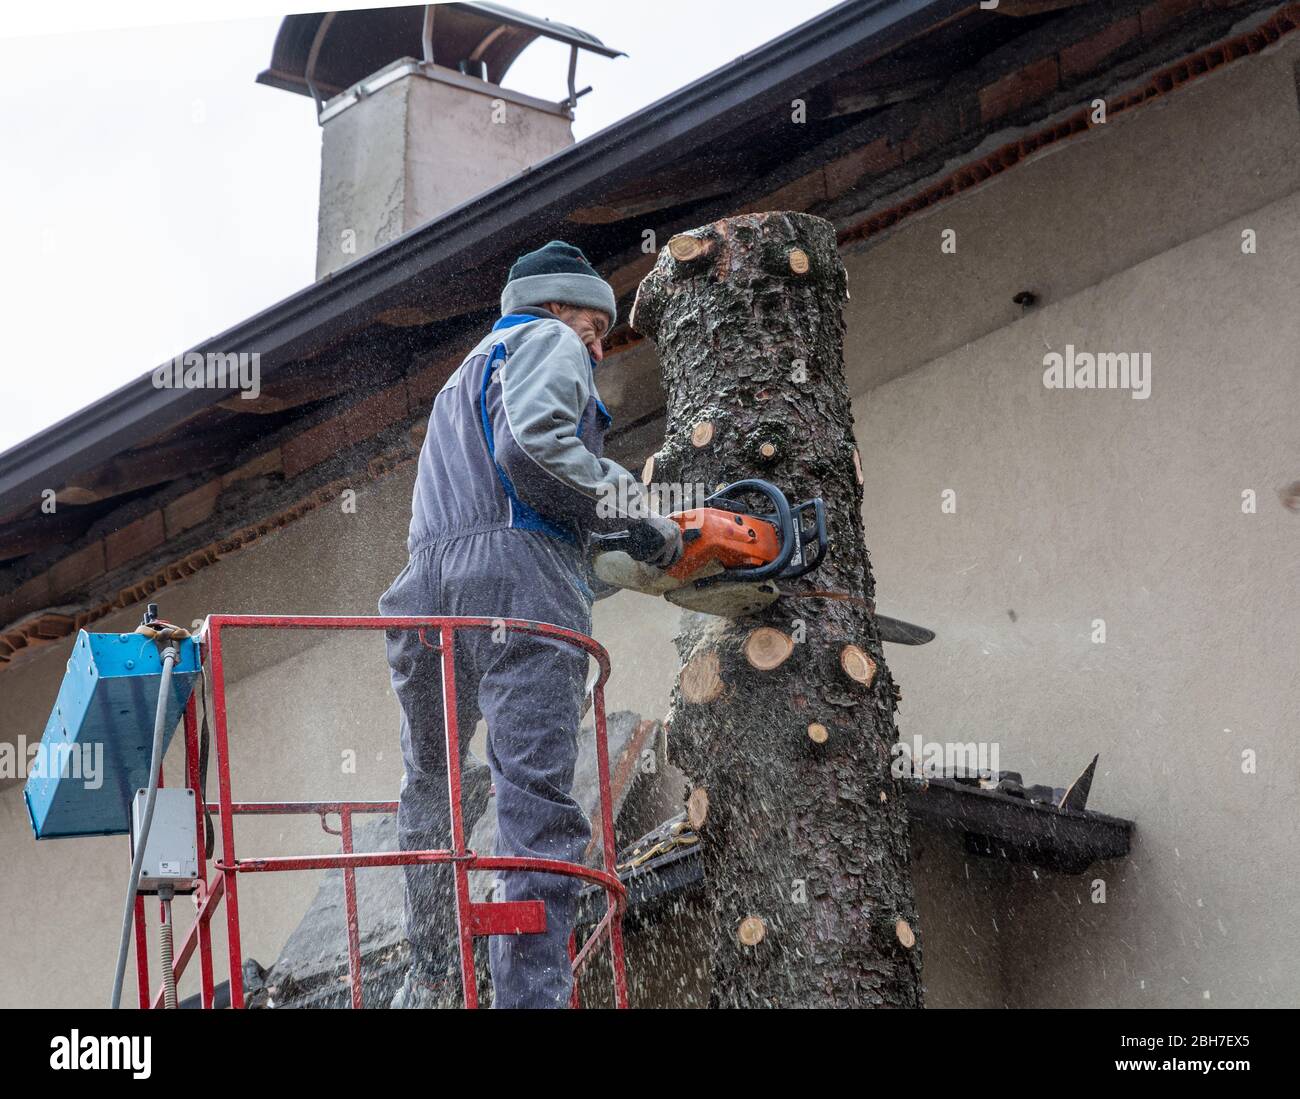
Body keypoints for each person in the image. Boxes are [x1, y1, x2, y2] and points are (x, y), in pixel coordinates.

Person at [380, 240, 682, 1008]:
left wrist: (590, 553)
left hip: (424, 591)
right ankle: (531, 998)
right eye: (592, 323)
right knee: (537, 800)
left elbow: (493, 503)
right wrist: (634, 510)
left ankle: (437, 969)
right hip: (517, 586)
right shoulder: (546, 340)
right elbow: (536, 449)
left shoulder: (462, 377)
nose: (598, 343)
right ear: (553, 307)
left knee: (434, 782)